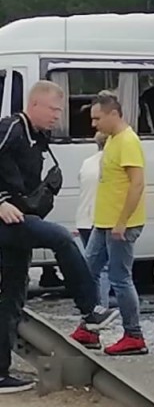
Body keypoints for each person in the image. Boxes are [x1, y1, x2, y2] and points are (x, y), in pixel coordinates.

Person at [0, 81, 118, 393]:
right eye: (53, 109)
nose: (57, 116)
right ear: (34, 105)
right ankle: (91, 309)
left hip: (20, 220)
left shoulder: (40, 137)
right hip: (6, 218)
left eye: (59, 111)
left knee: (12, 295)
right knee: (62, 238)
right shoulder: (10, 128)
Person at [78, 92, 148, 356]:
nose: (94, 124)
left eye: (97, 118)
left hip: (120, 224)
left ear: (114, 115)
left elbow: (137, 183)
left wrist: (122, 222)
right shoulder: (113, 140)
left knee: (120, 277)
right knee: (87, 270)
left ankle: (134, 335)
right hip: (104, 222)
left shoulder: (128, 141)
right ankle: (89, 326)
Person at [74, 132, 111, 313]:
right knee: (103, 268)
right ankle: (100, 307)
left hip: (83, 218)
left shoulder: (87, 162)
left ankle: (92, 305)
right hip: (100, 219)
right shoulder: (112, 163)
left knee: (91, 267)